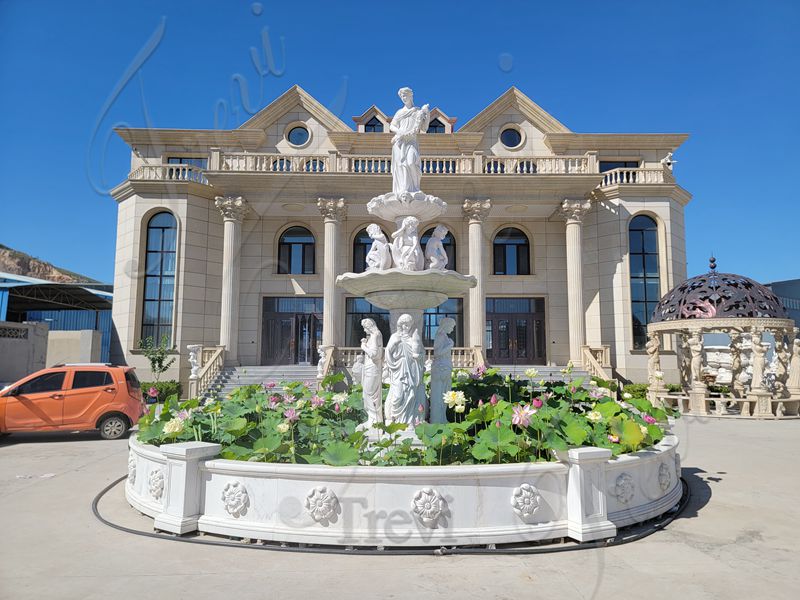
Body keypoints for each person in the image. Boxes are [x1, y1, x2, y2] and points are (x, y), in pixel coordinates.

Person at [384, 314, 425, 424]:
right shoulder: (394, 337)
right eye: (404, 324)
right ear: (400, 325)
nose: (406, 327)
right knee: (398, 395)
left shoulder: (414, 338)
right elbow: (388, 352)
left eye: (408, 325)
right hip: (398, 368)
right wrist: (395, 344)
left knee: (410, 393)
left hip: (411, 369)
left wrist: (419, 356)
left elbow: (421, 353)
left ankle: (410, 420)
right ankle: (395, 419)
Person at [389, 87, 430, 198]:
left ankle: (415, 188)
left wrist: (427, 114)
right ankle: (403, 189)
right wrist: (399, 131)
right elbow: (392, 125)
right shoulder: (400, 112)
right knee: (401, 165)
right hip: (400, 142)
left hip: (411, 141)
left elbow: (424, 128)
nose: (403, 98)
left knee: (411, 162)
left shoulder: (417, 111)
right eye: (402, 96)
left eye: (405, 95)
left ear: (411, 96)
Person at [429, 318, 455, 423]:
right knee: (439, 396)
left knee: (444, 395)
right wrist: (449, 346)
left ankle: (442, 418)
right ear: (446, 325)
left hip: (444, 367)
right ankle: (437, 420)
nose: (452, 329)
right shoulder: (440, 336)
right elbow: (437, 353)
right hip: (440, 368)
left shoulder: (444, 336)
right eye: (452, 326)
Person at [359, 319, 383, 428]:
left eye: (365, 327)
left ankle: (375, 420)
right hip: (371, 368)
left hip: (372, 369)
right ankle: (372, 418)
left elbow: (374, 354)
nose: (364, 329)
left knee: (369, 394)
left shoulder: (375, 336)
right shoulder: (375, 335)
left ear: (369, 326)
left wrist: (363, 346)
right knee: (369, 394)